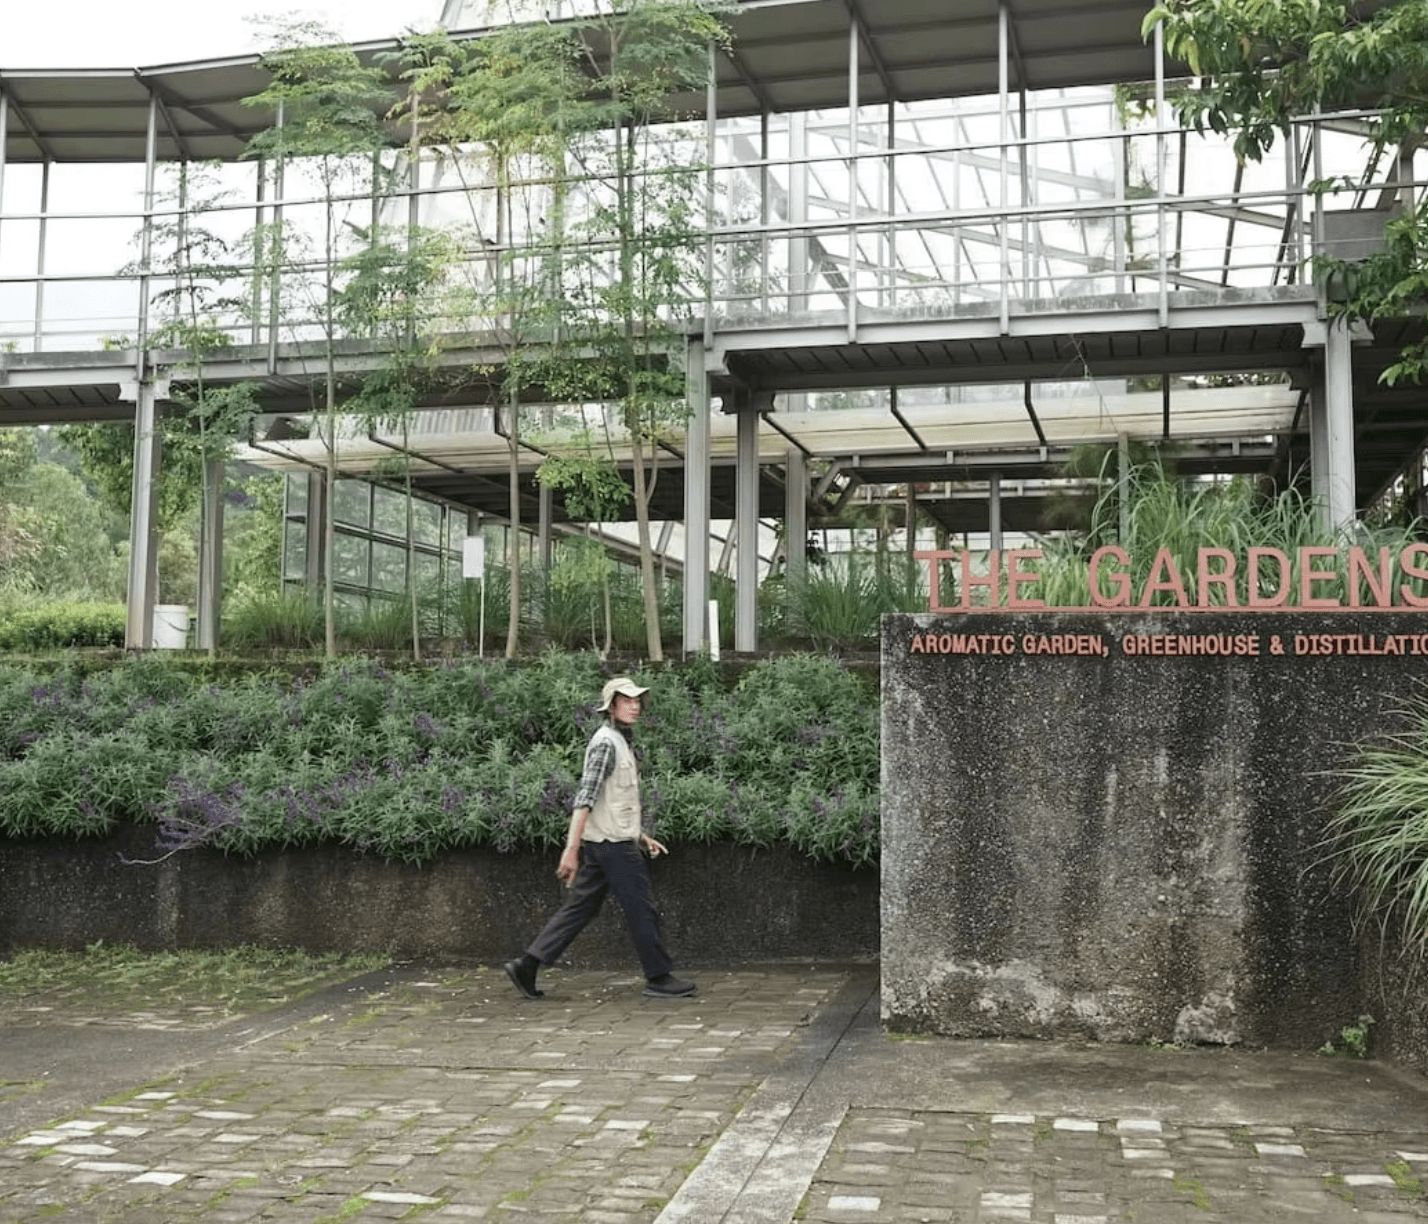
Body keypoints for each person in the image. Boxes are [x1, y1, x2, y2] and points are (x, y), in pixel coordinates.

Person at [504, 676, 697, 1000]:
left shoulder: (619, 741)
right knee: (641, 908)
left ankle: (527, 965)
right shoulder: (607, 743)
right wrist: (571, 849)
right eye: (626, 701)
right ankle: (659, 977)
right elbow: (585, 799)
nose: (635, 706)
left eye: (636, 701)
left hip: (608, 842)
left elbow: (611, 801)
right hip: (612, 847)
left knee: (580, 909)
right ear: (611, 707)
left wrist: (640, 835)